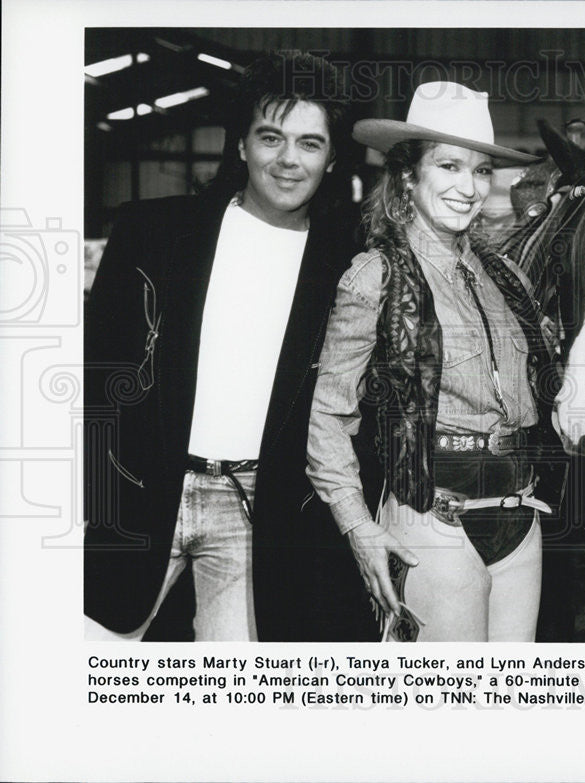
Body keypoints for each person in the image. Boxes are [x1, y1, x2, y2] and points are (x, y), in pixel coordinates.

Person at [84, 52, 376, 641]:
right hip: (141, 494)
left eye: (310, 143)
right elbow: (97, 373)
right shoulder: (153, 232)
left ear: (331, 157)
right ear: (241, 145)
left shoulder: (348, 262)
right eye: (271, 137)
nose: (289, 159)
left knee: (236, 699)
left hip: (255, 509)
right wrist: (91, 491)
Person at [306, 81, 559, 642]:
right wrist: (358, 528)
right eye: (449, 167)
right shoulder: (375, 276)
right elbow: (327, 417)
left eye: (481, 171)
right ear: (407, 176)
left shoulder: (507, 279)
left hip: (519, 512)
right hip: (431, 511)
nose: (469, 187)